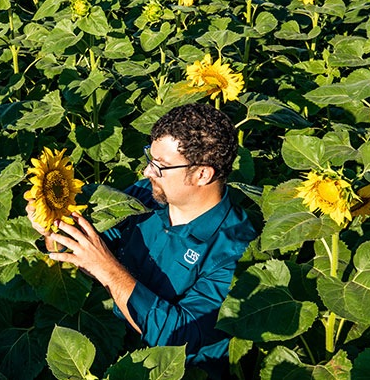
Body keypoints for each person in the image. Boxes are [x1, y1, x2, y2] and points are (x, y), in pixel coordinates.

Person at [25, 103, 256, 378]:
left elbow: (180, 337)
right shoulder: (144, 195)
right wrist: (54, 230)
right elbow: (88, 252)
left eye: (161, 166)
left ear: (202, 174)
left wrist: (107, 269)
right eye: (150, 159)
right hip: (112, 345)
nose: (148, 172)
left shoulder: (235, 250)